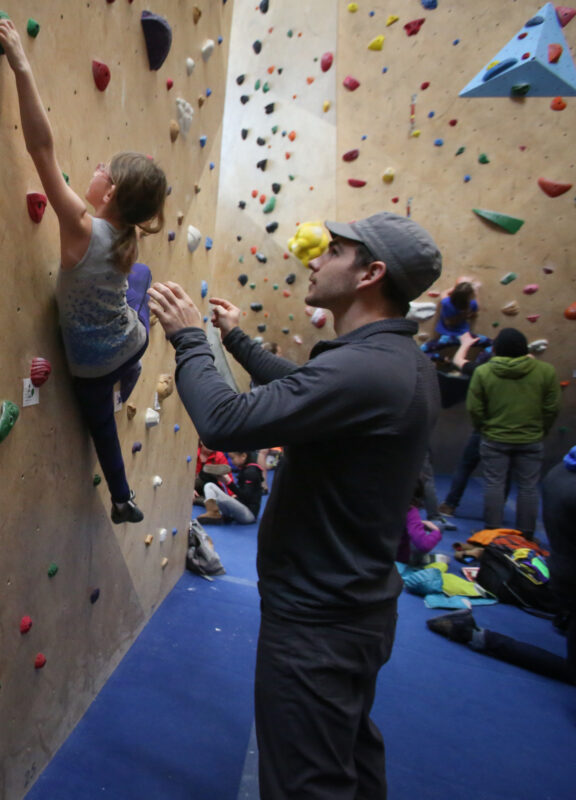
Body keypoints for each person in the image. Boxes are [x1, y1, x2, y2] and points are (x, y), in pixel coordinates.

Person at [149, 210, 442, 798]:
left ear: (371, 273)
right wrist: (235, 340)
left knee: (306, 783)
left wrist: (189, 339)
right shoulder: (388, 359)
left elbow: (225, 420)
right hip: (350, 606)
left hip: (320, 620)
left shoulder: (366, 368)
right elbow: (303, 389)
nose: (316, 259)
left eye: (333, 251)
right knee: (345, 760)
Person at [0, 18, 167, 525]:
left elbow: (41, 149)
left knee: (100, 425)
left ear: (108, 194)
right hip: (127, 347)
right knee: (142, 278)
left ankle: (122, 494)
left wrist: (22, 66)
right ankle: (122, 497)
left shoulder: (81, 227)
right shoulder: (127, 236)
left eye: (101, 171)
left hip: (88, 366)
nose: (93, 169)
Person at [426, 448, 575, 684]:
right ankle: (479, 637)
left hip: (560, 573)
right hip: (567, 579)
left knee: (494, 482)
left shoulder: (562, 472)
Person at [467, 327, 559, 538]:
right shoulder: (546, 371)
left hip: (494, 437)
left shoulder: (483, 372)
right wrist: (541, 429)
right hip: (531, 438)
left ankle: (492, 532)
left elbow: (474, 407)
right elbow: (552, 407)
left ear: (497, 349)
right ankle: (526, 534)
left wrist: (484, 428)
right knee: (528, 487)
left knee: (494, 484)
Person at [438, 330, 493, 516]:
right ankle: (496, 517)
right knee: (506, 477)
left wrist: (465, 344)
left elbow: (458, 361)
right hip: (522, 434)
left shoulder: (484, 371)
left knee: (465, 465)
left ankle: (450, 505)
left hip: (486, 428)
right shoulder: (538, 372)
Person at [198, 450, 264, 526]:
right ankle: (213, 512)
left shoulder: (251, 472)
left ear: (243, 456)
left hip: (249, 515)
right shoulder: (246, 469)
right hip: (242, 508)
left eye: (233, 458)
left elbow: (246, 497)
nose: (231, 462)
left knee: (219, 498)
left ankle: (215, 513)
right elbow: (244, 494)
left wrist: (229, 483)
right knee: (209, 485)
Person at [398, 480, 442, 567]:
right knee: (438, 524)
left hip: (368, 558)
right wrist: (437, 532)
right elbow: (423, 545)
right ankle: (419, 560)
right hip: (396, 562)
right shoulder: (410, 510)